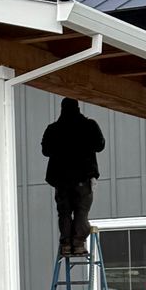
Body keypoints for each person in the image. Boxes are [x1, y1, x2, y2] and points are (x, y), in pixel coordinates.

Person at [40, 97, 104, 254]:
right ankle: (78, 243)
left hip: (61, 180)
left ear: (62, 109)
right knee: (82, 210)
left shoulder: (53, 129)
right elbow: (100, 145)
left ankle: (66, 244)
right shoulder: (89, 125)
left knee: (64, 212)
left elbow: (45, 150)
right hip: (83, 177)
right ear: (78, 108)